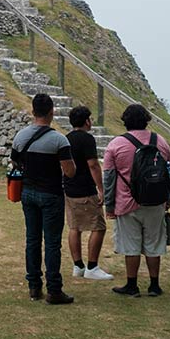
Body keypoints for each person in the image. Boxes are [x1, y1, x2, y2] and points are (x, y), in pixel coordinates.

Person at [103, 104, 170, 297]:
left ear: (125, 122)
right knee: (154, 244)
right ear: (146, 120)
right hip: (156, 201)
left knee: (131, 245)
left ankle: (132, 284)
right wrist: (167, 199)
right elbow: (169, 173)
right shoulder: (161, 141)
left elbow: (109, 178)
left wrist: (109, 206)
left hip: (127, 202)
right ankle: (154, 285)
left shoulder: (116, 145)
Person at [13, 93, 76, 304]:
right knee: (51, 243)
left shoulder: (20, 137)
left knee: (32, 239)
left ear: (33, 112)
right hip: (51, 194)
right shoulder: (59, 139)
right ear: (52, 112)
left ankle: (33, 286)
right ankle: (54, 289)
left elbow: (15, 163)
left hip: (28, 193)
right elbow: (69, 172)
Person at [63, 106, 113, 281]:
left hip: (69, 189)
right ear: (86, 121)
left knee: (74, 227)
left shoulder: (66, 138)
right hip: (85, 189)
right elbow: (93, 165)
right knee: (99, 226)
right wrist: (101, 188)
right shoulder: (87, 139)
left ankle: (78, 265)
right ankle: (92, 266)